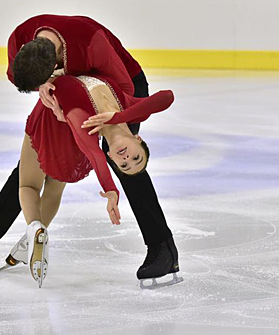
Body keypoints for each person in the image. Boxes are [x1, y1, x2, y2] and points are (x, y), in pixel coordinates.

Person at [0, 14, 180, 284]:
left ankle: (163, 248)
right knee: (36, 157)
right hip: (70, 93)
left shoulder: (91, 44)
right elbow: (18, 76)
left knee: (124, 157)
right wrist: (46, 89)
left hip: (121, 85)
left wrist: (110, 119)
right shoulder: (21, 37)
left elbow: (121, 87)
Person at [18, 71, 176, 287]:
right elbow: (167, 97)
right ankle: (35, 234)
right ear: (138, 138)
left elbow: (95, 155)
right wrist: (119, 117)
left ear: (110, 156)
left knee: (28, 184)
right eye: (136, 157)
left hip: (51, 120)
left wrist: (111, 190)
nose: (127, 158)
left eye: (124, 165)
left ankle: (34, 228)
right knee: (54, 188)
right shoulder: (128, 107)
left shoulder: (87, 125)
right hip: (65, 124)